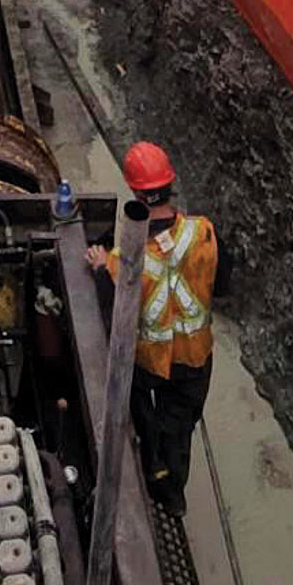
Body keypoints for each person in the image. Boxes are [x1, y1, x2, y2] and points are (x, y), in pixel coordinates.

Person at [85, 141, 217, 517]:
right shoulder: (205, 233)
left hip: (147, 364)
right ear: (170, 184)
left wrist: (98, 267)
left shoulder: (121, 260)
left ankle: (149, 469)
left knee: (142, 417)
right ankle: (172, 497)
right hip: (194, 360)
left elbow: (110, 317)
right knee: (179, 430)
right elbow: (221, 288)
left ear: (135, 193)